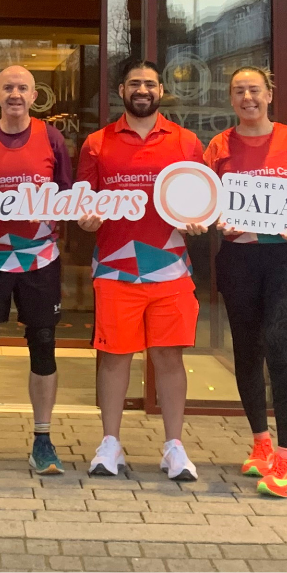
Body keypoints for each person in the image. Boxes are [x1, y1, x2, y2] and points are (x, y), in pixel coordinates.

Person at [71, 61, 207, 481]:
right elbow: (83, 202)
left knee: (168, 357)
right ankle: (109, 444)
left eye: (149, 83)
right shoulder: (97, 143)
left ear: (161, 90)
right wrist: (85, 219)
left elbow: (202, 200)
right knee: (114, 358)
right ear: (121, 90)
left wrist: (200, 221)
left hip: (171, 268)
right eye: (135, 84)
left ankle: (174, 447)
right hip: (115, 268)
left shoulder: (186, 142)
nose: (142, 89)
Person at [205, 64, 287, 494]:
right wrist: (216, 220)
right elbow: (205, 202)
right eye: (239, 91)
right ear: (231, 99)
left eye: (255, 90)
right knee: (247, 349)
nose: (248, 98)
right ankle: (260, 443)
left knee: (281, 346)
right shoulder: (219, 145)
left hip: (286, 258)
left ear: (269, 94)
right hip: (239, 259)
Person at [0, 64, 75, 474]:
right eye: (8, 87)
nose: (16, 94)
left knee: (42, 346)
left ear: (34, 96)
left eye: (23, 88)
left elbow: (67, 195)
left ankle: (43, 440)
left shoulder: (51, 138)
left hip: (40, 258)